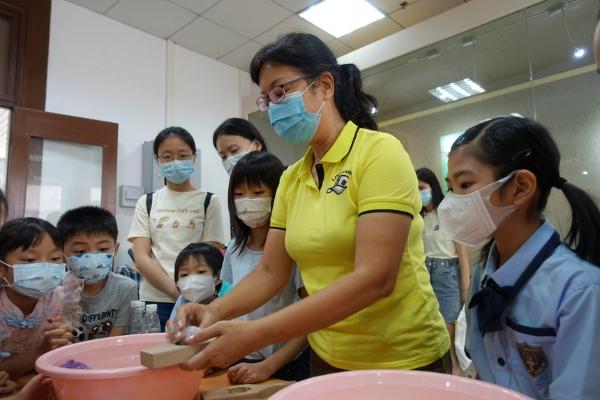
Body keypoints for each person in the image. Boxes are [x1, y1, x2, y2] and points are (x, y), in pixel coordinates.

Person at [168, 33, 449, 376]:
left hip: (402, 358)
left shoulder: (378, 152)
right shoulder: (291, 179)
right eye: (266, 99)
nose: (272, 107)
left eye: (280, 91)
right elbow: (271, 272)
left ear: (325, 85)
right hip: (327, 355)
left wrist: (255, 333)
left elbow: (376, 278)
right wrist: (216, 310)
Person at [440, 116, 600, 399]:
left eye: (464, 185)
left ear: (521, 187)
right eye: (450, 188)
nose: (451, 203)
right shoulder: (483, 275)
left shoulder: (579, 290)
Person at [221, 152, 308, 384]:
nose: (247, 201)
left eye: (258, 193)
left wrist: (270, 365)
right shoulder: (234, 249)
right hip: (244, 358)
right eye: (239, 195)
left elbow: (310, 320)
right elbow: (236, 307)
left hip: (287, 361)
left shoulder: (294, 248)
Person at [128, 126, 225, 331]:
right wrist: (178, 293)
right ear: (157, 160)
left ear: (194, 158)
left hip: (199, 299)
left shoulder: (208, 201)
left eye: (183, 155)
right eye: (167, 156)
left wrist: (190, 294)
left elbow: (210, 256)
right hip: (155, 300)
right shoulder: (147, 202)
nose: (175, 162)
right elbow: (142, 258)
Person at [0, 218, 73, 379]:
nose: (45, 269)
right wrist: (41, 351)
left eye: (55, 259)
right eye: (30, 260)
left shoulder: (59, 299)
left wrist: (59, 342)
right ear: (2, 268)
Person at [416, 167, 470, 375]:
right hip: (425, 271)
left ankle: (455, 375)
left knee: (449, 336)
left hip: (447, 273)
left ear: (433, 186)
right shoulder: (418, 217)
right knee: (432, 334)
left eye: (422, 187)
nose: (419, 192)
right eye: (416, 188)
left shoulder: (448, 212)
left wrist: (465, 288)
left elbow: (463, 252)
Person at [57, 206, 138, 342]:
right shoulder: (56, 288)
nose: (92, 258)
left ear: (115, 249)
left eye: (103, 249)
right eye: (80, 251)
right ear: (62, 253)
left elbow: (114, 341)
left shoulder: (126, 288)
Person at [168, 242, 231, 320]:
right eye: (184, 274)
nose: (192, 280)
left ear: (218, 277)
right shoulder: (181, 301)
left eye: (201, 272)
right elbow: (173, 328)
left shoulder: (224, 304)